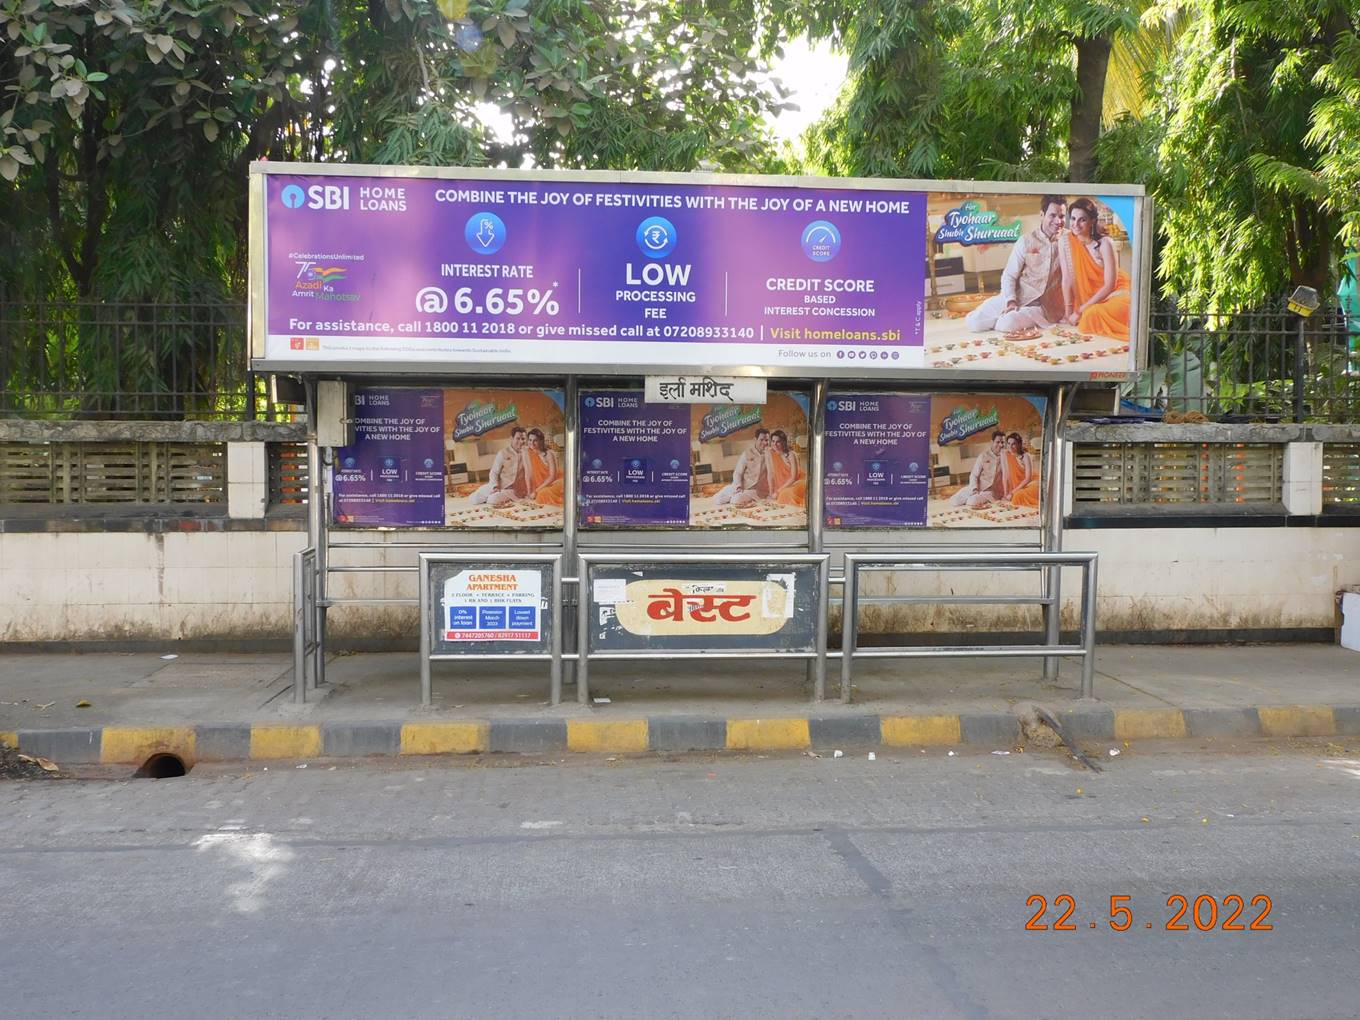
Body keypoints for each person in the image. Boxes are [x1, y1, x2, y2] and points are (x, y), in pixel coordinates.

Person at [965, 196, 1067, 333]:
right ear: (1042, 215)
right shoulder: (1026, 240)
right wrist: (1011, 301)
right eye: (1053, 215)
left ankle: (1006, 318)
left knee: (1006, 325)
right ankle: (1004, 314)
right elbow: (1009, 275)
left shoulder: (1069, 241)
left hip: (1043, 306)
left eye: (1062, 216)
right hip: (1019, 296)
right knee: (974, 322)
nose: (1058, 221)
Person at [1059, 196, 1131, 341]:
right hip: (1089, 301)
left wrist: (1079, 311)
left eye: (1082, 220)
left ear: (1092, 221)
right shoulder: (1065, 241)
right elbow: (1066, 279)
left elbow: (1110, 286)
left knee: (1091, 315)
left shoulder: (1105, 244)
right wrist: (1068, 313)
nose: (1076, 224)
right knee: (1090, 316)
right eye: (1073, 219)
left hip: (1116, 294)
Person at [469, 426, 528, 507]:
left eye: (523, 439)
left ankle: (493, 496)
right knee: (474, 499)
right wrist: (495, 486)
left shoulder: (526, 453)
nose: (521, 441)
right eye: (518, 438)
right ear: (511, 438)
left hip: (512, 489)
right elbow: (494, 472)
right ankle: (491, 493)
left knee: (492, 500)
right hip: (499, 485)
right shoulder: (503, 453)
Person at [948, 431, 1007, 507]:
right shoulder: (983, 456)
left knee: (971, 502)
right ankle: (971, 496)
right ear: (992, 442)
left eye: (1002, 442)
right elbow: (974, 475)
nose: (1000, 445)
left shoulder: (1005, 457)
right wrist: (974, 489)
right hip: (977, 487)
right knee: (954, 501)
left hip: (990, 491)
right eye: (998, 442)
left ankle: (975, 498)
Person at [714, 428, 770, 507]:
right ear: (755, 439)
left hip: (755, 490)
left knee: (736, 500)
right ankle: (733, 493)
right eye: (761, 440)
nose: (764, 443)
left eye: (767, 440)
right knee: (718, 499)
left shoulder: (769, 454)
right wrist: (738, 486)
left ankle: (736, 497)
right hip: (742, 486)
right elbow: (738, 472)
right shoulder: (747, 453)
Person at [523, 427, 564, 506]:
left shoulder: (549, 454)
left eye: (535, 440)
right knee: (541, 494)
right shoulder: (526, 453)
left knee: (543, 494)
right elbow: (527, 474)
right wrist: (529, 493)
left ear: (541, 441)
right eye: (530, 440)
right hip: (541, 484)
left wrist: (536, 491)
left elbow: (552, 476)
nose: (532, 443)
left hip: (555, 481)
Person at [765, 429, 806, 507]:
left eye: (778, 442)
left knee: (785, 494)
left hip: (795, 483)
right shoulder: (769, 453)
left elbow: (794, 478)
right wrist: (771, 493)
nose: (775, 444)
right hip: (781, 485)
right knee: (780, 495)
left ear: (783, 442)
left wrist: (778, 492)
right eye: (773, 441)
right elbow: (770, 474)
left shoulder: (791, 455)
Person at [1003, 432, 1040, 508]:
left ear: (1019, 444)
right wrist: (1006, 493)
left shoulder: (1025, 457)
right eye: (1009, 443)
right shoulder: (1006, 455)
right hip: (1019, 486)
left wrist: (1012, 492)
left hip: (1031, 484)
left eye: (1013, 444)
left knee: (1017, 496)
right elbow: (1005, 475)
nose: (1010, 446)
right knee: (1017, 496)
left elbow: (1028, 479)